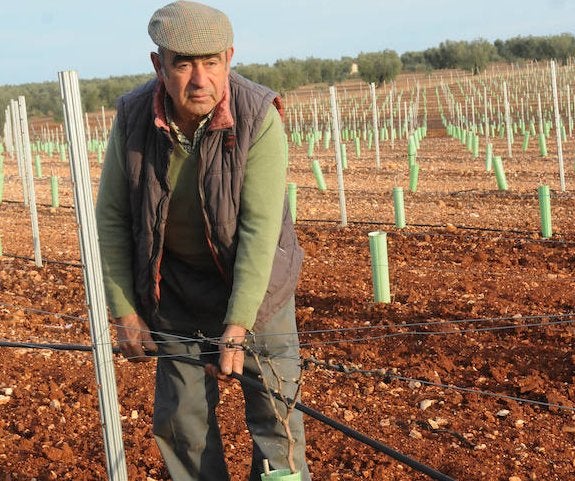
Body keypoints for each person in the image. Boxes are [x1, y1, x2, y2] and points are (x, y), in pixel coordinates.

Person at [95, 1, 311, 480]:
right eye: (183, 63)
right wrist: (125, 313)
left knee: (277, 422)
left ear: (229, 58)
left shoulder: (259, 117)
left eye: (211, 62)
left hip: (259, 289)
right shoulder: (132, 118)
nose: (199, 79)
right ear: (158, 65)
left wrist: (238, 325)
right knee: (182, 424)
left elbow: (260, 231)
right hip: (176, 291)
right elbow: (111, 218)